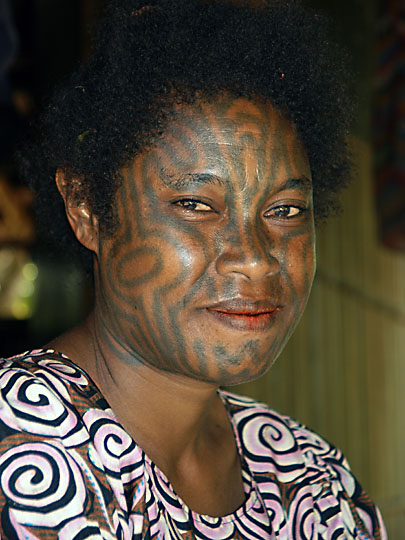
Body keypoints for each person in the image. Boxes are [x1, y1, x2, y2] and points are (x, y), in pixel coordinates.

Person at [0, 0, 387, 538]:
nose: (254, 256)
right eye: (195, 205)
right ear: (87, 208)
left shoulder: (317, 484)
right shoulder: (16, 446)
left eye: (285, 211)